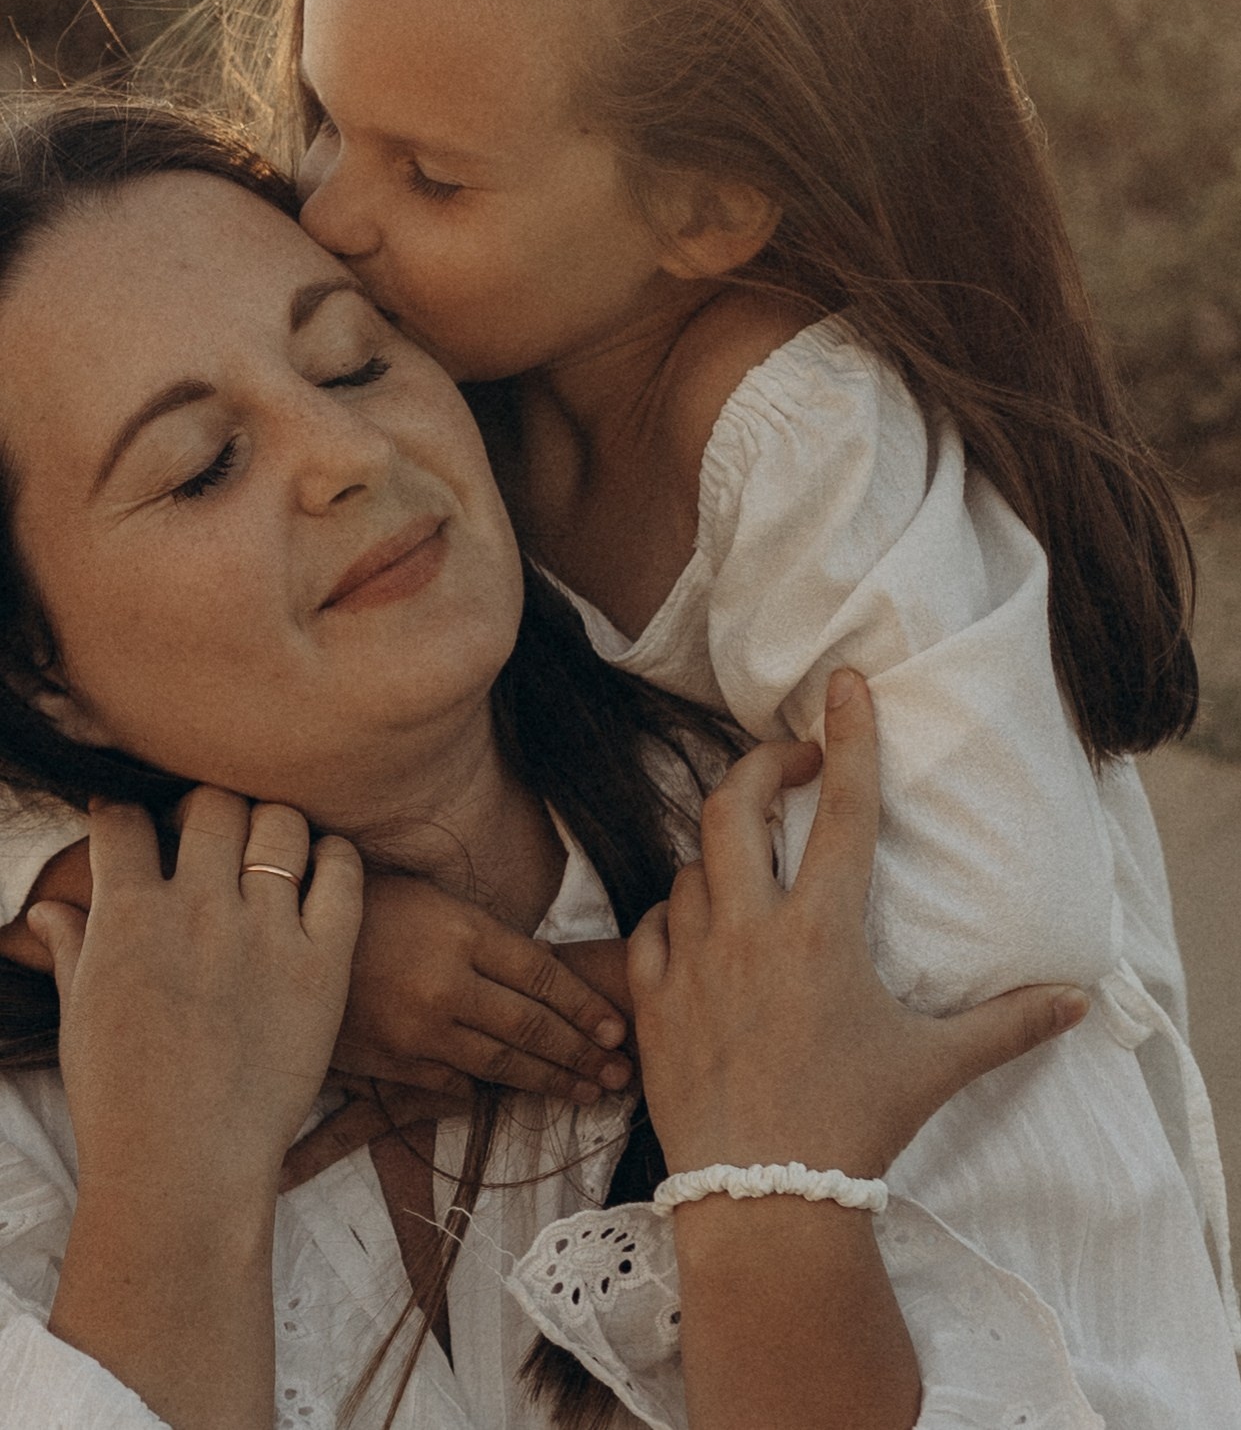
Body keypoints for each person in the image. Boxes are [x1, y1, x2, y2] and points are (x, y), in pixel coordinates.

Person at [0, 99, 1118, 1430]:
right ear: (39, 673)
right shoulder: (42, 1128)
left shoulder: (855, 868)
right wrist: (174, 1198)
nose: (350, 457)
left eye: (355, 362)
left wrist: (774, 1209)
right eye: (201, 468)